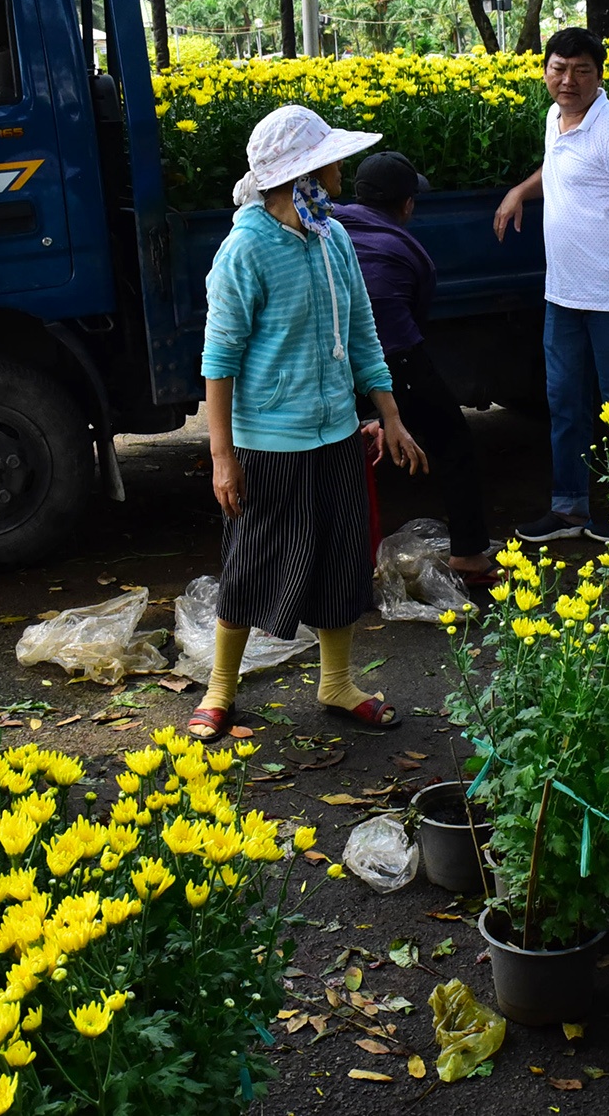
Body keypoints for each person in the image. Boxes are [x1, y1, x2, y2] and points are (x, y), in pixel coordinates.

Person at [190, 104, 429, 742]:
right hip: (267, 441)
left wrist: (390, 416)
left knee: (342, 559)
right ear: (301, 173)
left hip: (335, 435)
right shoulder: (245, 249)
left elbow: (361, 333)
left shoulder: (333, 236)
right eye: (330, 160)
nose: (340, 168)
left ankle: (337, 683)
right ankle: (220, 691)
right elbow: (219, 360)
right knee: (250, 563)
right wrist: (221, 454)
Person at [494, 27, 609, 542]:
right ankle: (569, 509)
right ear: (546, 70)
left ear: (599, 76)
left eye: (581, 71)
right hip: (563, 294)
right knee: (565, 403)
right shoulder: (556, 118)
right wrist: (520, 192)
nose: (568, 80)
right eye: (559, 68)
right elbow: (558, 168)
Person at [333, 151, 495, 578]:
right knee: (452, 441)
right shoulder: (411, 253)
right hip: (391, 355)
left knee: (329, 452)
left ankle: (333, 562)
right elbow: (412, 321)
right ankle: (469, 556)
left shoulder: (328, 224)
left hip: (325, 355)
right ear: (407, 204)